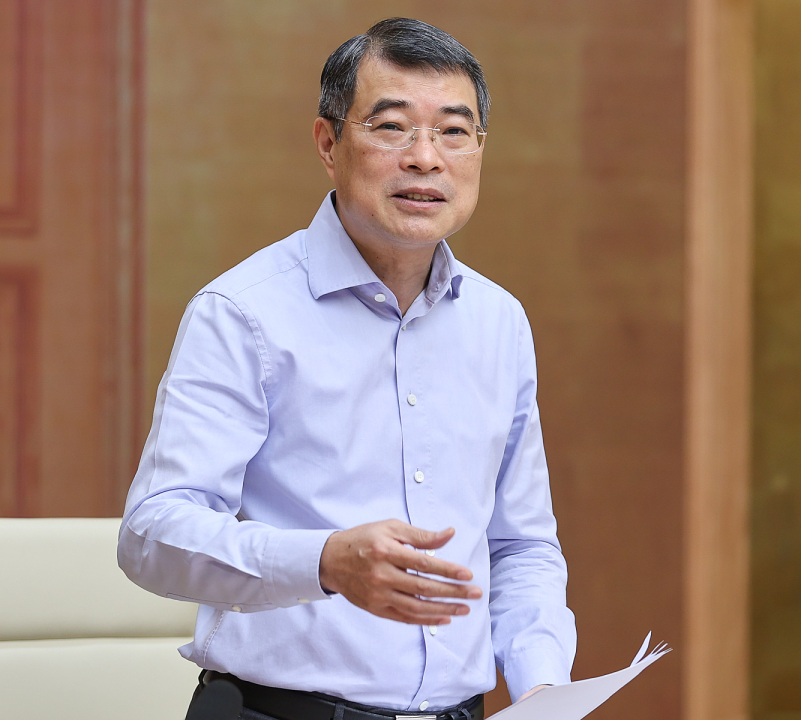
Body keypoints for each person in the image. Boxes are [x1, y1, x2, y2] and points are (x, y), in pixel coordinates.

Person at [118, 17, 576, 720]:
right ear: (328, 144)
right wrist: (325, 562)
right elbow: (153, 534)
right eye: (392, 127)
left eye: (454, 131)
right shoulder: (243, 312)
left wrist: (542, 687)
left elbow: (520, 546)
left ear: (479, 149)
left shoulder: (498, 322)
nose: (426, 158)